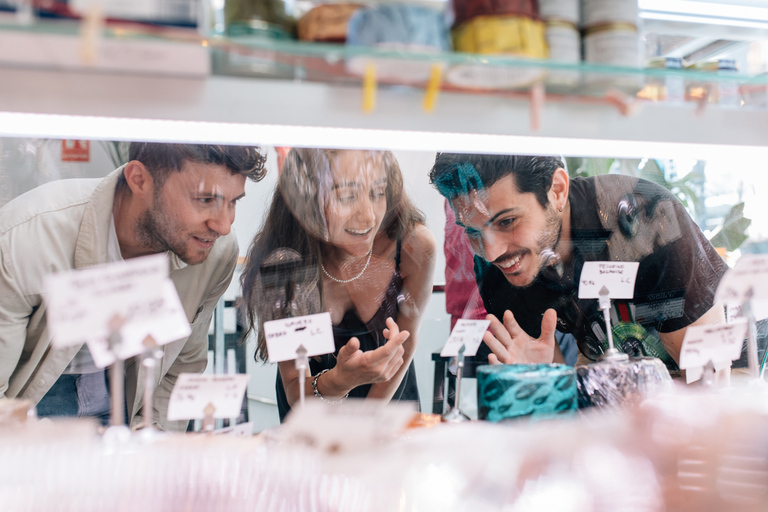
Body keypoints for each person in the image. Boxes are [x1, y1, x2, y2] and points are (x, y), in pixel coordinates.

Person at [0, 142, 266, 430]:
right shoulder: (26, 238)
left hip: (128, 396)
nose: (224, 225)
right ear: (139, 179)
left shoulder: (216, 250)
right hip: (30, 399)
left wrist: (152, 444)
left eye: (234, 201)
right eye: (205, 200)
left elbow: (181, 366)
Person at [429, 153, 727, 371]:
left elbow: (707, 379)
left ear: (557, 190)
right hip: (626, 383)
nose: (492, 252)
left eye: (507, 221)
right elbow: (551, 375)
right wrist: (548, 382)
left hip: (735, 368)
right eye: (473, 231)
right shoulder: (499, 266)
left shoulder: (647, 216)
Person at [241, 148, 435, 421]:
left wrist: (365, 421)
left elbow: (408, 338)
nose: (368, 216)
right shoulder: (283, 263)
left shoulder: (414, 246)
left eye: (378, 193)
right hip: (311, 413)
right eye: (346, 196)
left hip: (388, 408)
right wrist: (341, 380)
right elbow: (296, 392)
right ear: (305, 200)